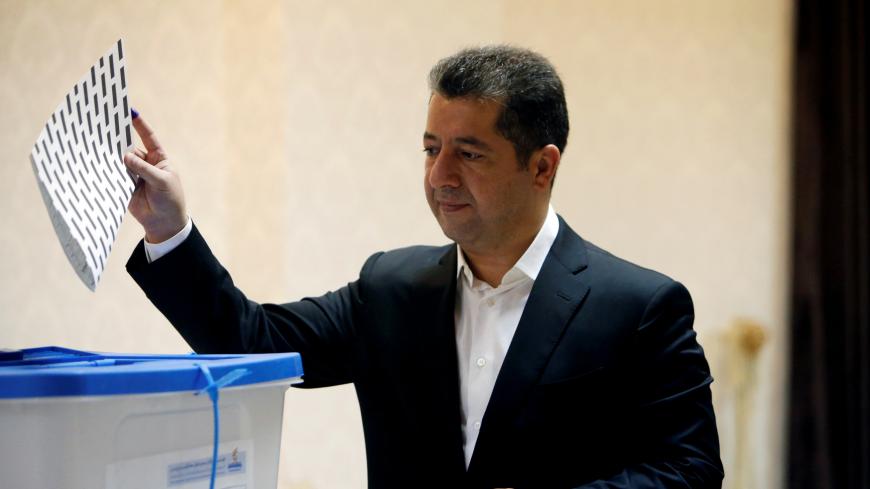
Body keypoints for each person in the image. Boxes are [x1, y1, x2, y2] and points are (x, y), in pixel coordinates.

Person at [123, 46, 724, 488]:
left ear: (542, 167)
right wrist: (169, 230)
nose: (440, 177)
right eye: (432, 149)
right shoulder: (390, 288)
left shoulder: (641, 306)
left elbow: (689, 471)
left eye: (469, 154)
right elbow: (251, 343)